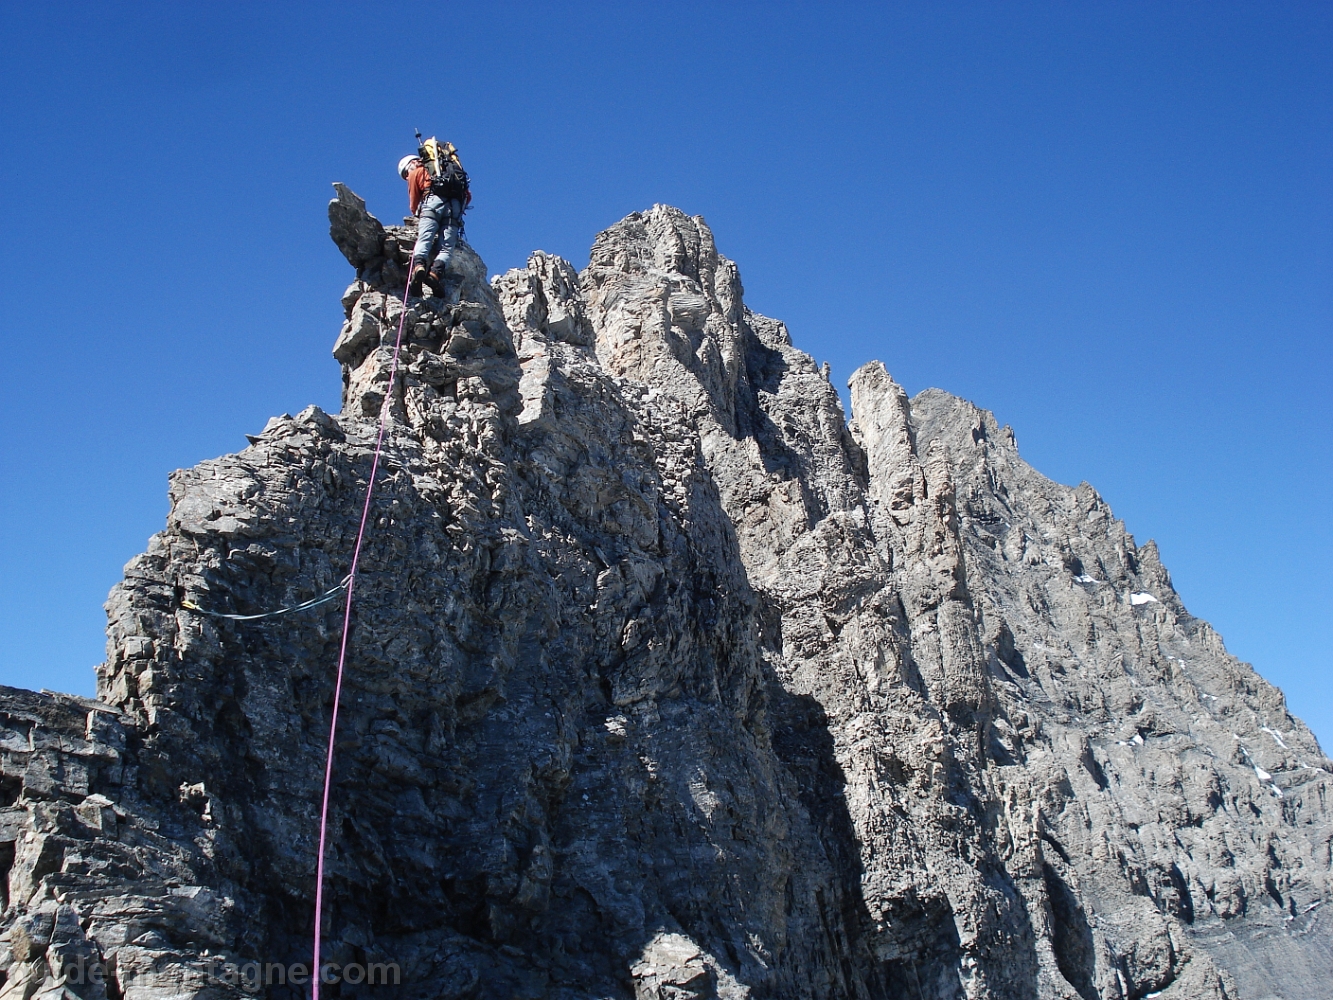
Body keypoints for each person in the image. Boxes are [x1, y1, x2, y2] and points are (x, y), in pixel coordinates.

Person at [398, 151, 468, 298]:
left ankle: (419, 266)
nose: (406, 177)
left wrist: (417, 213)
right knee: (447, 246)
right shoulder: (447, 172)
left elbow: (413, 202)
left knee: (425, 238)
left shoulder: (417, 172)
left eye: (405, 174)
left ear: (410, 164)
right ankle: (435, 273)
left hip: (432, 203)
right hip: (454, 208)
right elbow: (468, 196)